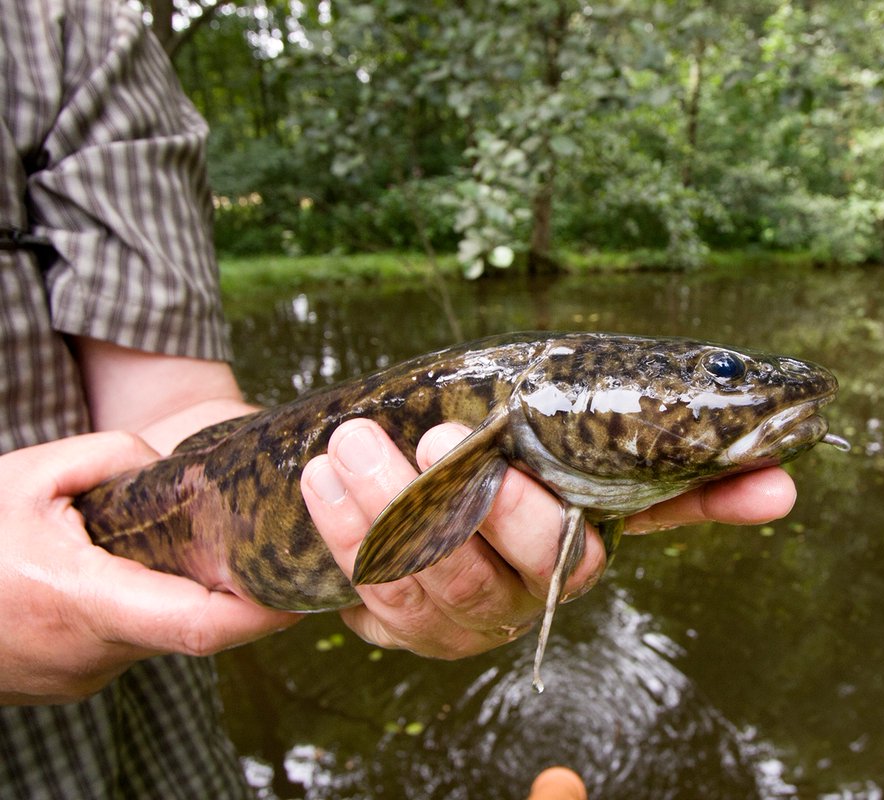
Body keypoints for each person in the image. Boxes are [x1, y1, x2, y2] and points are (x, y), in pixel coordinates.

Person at [0, 1, 798, 797]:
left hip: (157, 723)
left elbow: (169, 396)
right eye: (719, 376)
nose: (727, 391)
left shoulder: (84, 25)